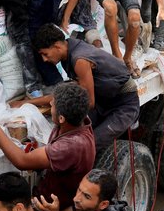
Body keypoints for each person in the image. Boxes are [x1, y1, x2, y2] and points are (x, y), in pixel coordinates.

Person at [21, 24, 140, 152]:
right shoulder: (70, 49)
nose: (44, 59)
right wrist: (28, 103)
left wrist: (60, 116)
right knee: (70, 137)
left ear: (57, 46)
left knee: (88, 146)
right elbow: (71, 93)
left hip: (123, 105)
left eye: (45, 54)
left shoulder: (79, 60)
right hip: (103, 100)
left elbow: (88, 103)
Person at [0, 83, 95, 211]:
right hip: (48, 189)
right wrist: (26, 102)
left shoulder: (69, 146)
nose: (50, 104)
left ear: (61, 118)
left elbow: (22, 161)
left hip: (51, 206)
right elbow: (53, 99)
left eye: (53, 105)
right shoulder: (77, 117)